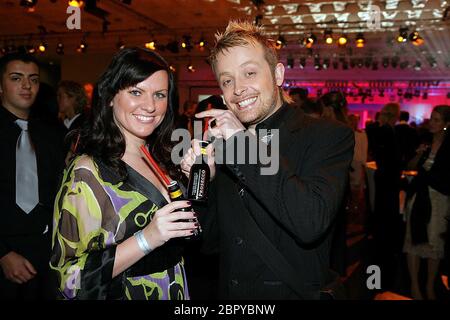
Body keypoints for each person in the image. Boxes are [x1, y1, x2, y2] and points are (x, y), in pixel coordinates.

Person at [181, 20, 354, 299]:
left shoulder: (328, 136)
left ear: (277, 74)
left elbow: (310, 222)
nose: (238, 89)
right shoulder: (223, 147)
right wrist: (204, 182)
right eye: (227, 80)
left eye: (249, 72)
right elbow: (210, 243)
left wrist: (243, 147)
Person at [49, 47, 197, 300]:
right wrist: (146, 238)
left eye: (159, 94)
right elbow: (68, 279)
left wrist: (203, 178)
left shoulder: (163, 158)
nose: (150, 106)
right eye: (136, 92)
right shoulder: (88, 171)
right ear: (109, 96)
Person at [0, 52, 65, 299]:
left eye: (34, 79)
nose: (27, 85)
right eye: (16, 78)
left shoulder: (52, 134)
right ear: (1, 85)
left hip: (47, 252)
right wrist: (3, 254)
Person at [403, 105, 450, 300]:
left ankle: (430, 286)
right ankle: (415, 286)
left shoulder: (449, 146)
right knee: (413, 240)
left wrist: (428, 175)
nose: (432, 122)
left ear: (447, 124)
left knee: (434, 243)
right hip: (419, 196)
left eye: (437, 120)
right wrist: (418, 154)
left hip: (439, 198)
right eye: (432, 118)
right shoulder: (425, 141)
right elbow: (409, 167)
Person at [368, 102, 403, 291]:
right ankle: (379, 279)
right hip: (388, 182)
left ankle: (377, 276)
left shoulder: (379, 131)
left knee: (382, 220)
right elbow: (393, 161)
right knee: (386, 221)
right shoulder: (387, 132)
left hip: (383, 180)